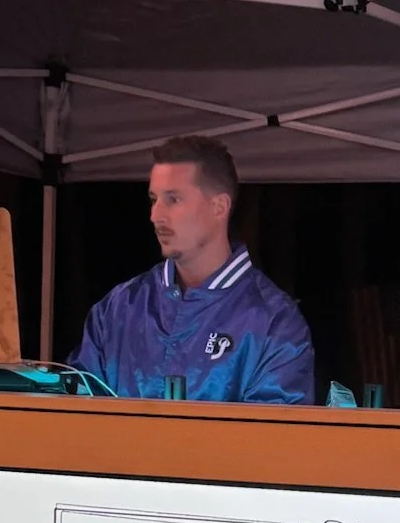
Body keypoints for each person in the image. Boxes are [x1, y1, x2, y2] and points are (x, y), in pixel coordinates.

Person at [68, 137, 315, 403]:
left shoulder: (275, 322)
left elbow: (276, 426)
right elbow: (74, 413)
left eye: (173, 199)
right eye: (154, 200)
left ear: (219, 207)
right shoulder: (118, 308)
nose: (155, 216)